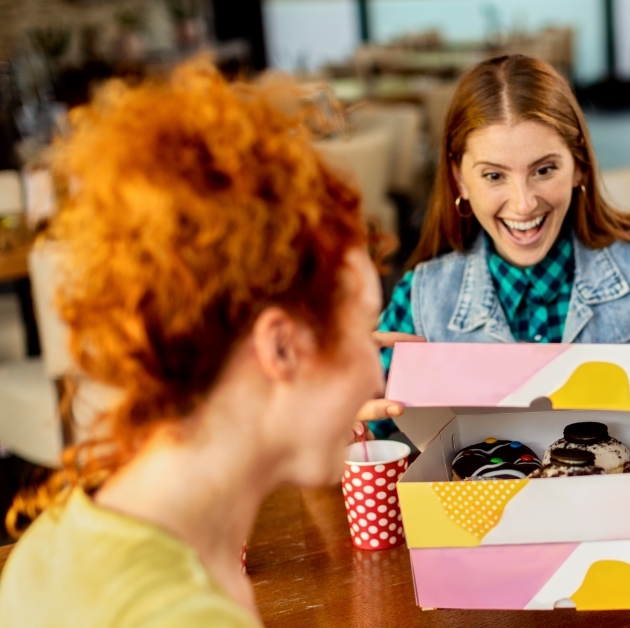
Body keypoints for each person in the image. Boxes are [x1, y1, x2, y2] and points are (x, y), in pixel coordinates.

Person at [0, 61, 382, 626]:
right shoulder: (181, 614)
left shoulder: (56, 541)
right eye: (365, 331)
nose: (377, 377)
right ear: (280, 348)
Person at [376, 55, 630, 372]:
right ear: (459, 178)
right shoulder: (420, 299)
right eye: (494, 176)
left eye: (544, 170)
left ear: (579, 165)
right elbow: (376, 419)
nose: (523, 204)